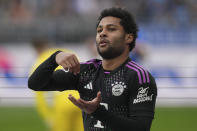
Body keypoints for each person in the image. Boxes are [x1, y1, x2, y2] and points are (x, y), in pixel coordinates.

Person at [28, 7, 157, 131]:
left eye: (111, 29)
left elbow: (141, 128)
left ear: (128, 37)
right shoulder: (85, 71)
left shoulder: (138, 76)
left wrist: (97, 112)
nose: (103, 33)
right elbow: (35, 84)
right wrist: (54, 58)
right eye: (99, 30)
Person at [30, 39, 83, 131]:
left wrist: (47, 116)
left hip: (62, 104)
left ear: (36, 49)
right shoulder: (65, 52)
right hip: (82, 100)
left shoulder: (40, 62)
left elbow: (39, 93)